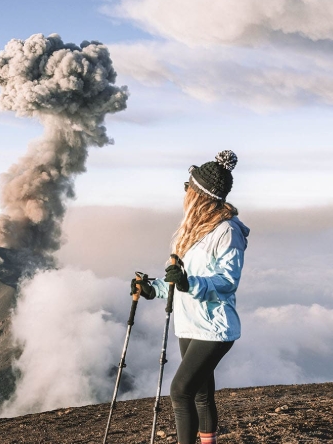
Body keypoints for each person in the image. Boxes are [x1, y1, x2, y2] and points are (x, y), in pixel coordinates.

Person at [134, 150, 249, 444]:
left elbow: (227, 281)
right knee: (200, 392)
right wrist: (153, 289)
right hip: (190, 323)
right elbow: (179, 279)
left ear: (200, 194)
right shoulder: (192, 230)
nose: (185, 190)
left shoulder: (227, 232)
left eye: (189, 185)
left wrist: (187, 283)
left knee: (180, 391)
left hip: (214, 327)